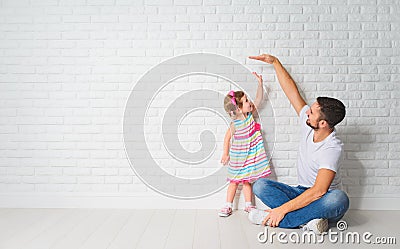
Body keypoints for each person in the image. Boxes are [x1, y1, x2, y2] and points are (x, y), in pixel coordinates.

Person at [247, 54, 349, 234]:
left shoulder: (332, 148)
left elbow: (318, 191)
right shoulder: (309, 124)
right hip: (301, 192)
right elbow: (292, 93)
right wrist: (275, 62)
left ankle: (271, 218)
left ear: (323, 123)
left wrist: (281, 209)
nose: (307, 112)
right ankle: (310, 221)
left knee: (339, 199)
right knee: (260, 186)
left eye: (312, 112)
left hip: (324, 198)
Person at [218, 72, 272, 217]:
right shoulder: (235, 124)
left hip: (249, 155)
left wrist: (260, 84)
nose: (250, 102)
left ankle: (249, 205)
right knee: (234, 182)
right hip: (237, 156)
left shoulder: (250, 116)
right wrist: (225, 153)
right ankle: (227, 205)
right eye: (246, 101)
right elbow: (227, 138)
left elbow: (259, 99)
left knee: (247, 181)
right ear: (239, 108)